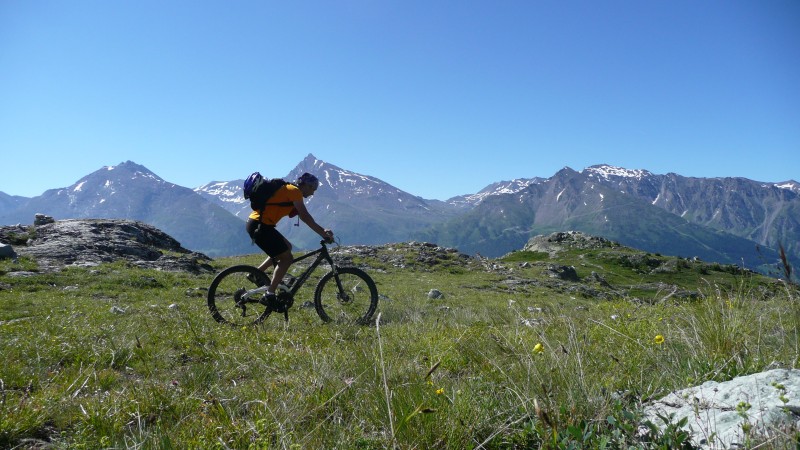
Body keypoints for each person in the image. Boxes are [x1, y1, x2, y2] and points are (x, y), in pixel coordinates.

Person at [246, 172, 333, 302]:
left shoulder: (289, 190)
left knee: (287, 247)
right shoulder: (294, 191)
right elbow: (305, 217)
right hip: (260, 226)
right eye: (312, 189)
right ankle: (270, 293)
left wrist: (322, 230)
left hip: (258, 224)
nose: (313, 193)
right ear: (305, 185)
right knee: (287, 259)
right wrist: (322, 232)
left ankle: (256, 274)